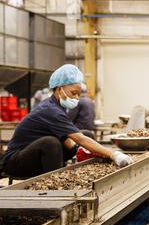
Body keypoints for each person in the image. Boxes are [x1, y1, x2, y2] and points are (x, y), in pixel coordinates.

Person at [0, 64, 132, 177]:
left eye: (79, 94)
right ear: (59, 89)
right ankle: (55, 185)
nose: (77, 97)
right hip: (15, 162)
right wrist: (113, 154)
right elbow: (80, 139)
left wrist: (78, 149)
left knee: (86, 134)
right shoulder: (50, 110)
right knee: (51, 143)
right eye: (73, 93)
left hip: (35, 157)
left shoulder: (58, 106)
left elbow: (66, 136)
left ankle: (83, 170)